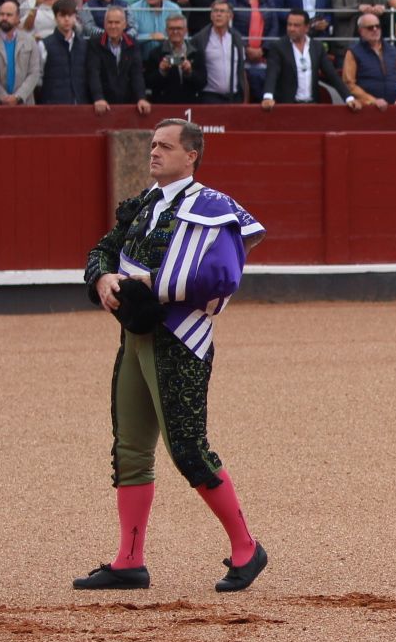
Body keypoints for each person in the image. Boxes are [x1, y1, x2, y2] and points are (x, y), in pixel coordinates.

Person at [76, 119, 268, 593]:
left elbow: (222, 276)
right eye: (152, 145)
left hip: (181, 340)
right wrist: (102, 278)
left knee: (188, 449)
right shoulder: (142, 204)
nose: (155, 152)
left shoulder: (214, 207)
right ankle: (129, 561)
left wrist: (150, 287)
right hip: (135, 339)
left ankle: (247, 547)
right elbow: (103, 249)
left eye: (165, 146)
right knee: (130, 449)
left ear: (192, 156)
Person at [260, 7, 342, 105]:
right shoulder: (278, 47)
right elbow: (272, 74)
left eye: (296, 25)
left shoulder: (317, 47)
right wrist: (268, 97)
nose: (291, 29)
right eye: (289, 24)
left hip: (312, 105)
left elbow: (332, 75)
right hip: (288, 106)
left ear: (307, 28)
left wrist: (349, 98)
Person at [87, 4, 154, 111]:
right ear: (104, 24)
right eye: (110, 22)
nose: (113, 26)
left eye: (117, 22)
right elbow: (94, 73)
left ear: (124, 25)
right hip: (102, 104)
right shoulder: (94, 43)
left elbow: (136, 74)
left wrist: (141, 98)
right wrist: (98, 97)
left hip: (128, 103)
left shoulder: (133, 44)